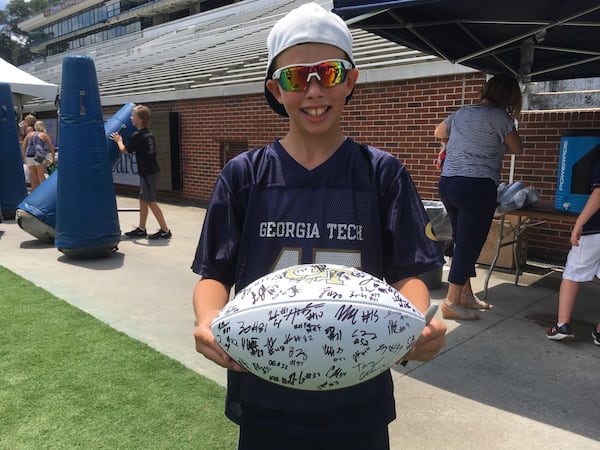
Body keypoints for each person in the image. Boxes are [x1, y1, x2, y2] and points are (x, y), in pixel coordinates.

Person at [191, 3, 447, 449]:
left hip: (358, 393)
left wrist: (414, 324)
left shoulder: (381, 174)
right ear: (276, 88)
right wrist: (208, 318)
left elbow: (411, 272)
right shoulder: (244, 175)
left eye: (327, 73)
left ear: (350, 79)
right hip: (264, 390)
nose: (313, 90)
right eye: (295, 77)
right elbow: (215, 271)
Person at [433, 74, 523, 320]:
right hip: (476, 186)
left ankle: (465, 294)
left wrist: (464, 142)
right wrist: (493, 143)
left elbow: (438, 131)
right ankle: (451, 302)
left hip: (449, 183)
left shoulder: (462, 113)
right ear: (508, 97)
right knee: (469, 244)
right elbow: (518, 148)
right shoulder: (500, 117)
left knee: (463, 240)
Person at [547, 157, 600, 346]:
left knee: (572, 272)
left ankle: (562, 325)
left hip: (595, 229)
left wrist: (580, 222)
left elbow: (599, 193)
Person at [110, 105, 172, 240]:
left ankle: (165, 230)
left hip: (148, 172)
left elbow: (125, 150)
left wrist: (118, 140)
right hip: (151, 171)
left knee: (150, 201)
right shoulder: (148, 133)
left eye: (134, 116)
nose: (131, 118)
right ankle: (141, 229)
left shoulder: (137, 135)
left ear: (140, 119)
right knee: (143, 200)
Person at [22, 120, 56, 192]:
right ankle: (45, 194)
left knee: (34, 177)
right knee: (41, 175)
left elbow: (24, 146)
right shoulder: (44, 135)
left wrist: (24, 158)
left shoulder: (29, 134)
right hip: (38, 154)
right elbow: (51, 147)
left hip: (29, 155)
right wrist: (53, 159)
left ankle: (33, 195)